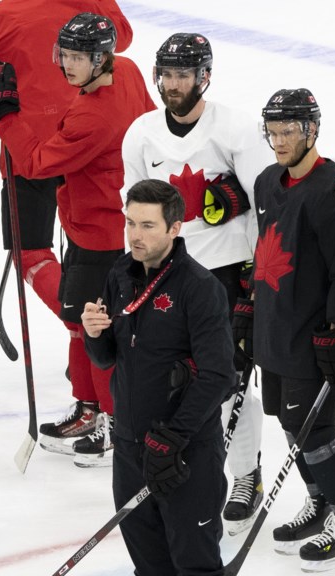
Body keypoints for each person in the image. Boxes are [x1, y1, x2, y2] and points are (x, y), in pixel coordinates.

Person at [0, 12, 154, 466]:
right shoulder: (129, 71)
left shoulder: (94, 116)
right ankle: (89, 409)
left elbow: (37, 163)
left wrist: (7, 116)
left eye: (79, 57)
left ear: (101, 58)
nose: (67, 65)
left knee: (94, 328)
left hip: (100, 236)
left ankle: (115, 428)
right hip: (104, 223)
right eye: (65, 54)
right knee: (83, 323)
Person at [121, 32, 272, 533]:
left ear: (204, 76)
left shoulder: (235, 129)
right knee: (168, 379)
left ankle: (245, 472)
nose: (173, 84)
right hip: (165, 276)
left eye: (183, 75)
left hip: (226, 275)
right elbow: (134, 210)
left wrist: (256, 278)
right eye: (167, 74)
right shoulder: (141, 132)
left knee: (225, 383)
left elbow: (266, 201)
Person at [81, 179, 235, 576]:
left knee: (196, 565)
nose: (135, 234)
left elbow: (218, 376)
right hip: (131, 448)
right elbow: (107, 359)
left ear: (174, 227)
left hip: (186, 453)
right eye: (130, 222)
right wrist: (94, 334)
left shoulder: (200, 288)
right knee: (149, 566)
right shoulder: (119, 275)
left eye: (148, 225)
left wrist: (172, 437)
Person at [0, 0, 132, 343]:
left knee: (30, 254)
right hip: (95, 153)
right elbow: (122, 38)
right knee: (91, 252)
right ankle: (92, 332)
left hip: (29, 149)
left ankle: (81, 329)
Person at [253, 88, 335, 572]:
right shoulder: (265, 182)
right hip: (275, 330)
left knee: (316, 432)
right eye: (273, 131)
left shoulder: (331, 189)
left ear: (313, 131)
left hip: (315, 338)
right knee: (290, 426)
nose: (279, 141)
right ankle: (321, 503)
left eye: (289, 132)